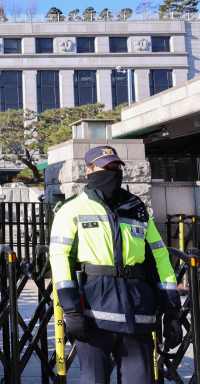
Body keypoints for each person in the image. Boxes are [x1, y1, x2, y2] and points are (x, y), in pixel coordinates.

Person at [50, 146, 182, 384]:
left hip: (137, 314)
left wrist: (172, 311)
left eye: (116, 166)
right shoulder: (71, 209)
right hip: (92, 315)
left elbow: (160, 260)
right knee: (94, 380)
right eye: (106, 166)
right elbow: (59, 259)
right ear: (89, 170)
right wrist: (71, 310)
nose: (112, 171)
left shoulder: (137, 209)